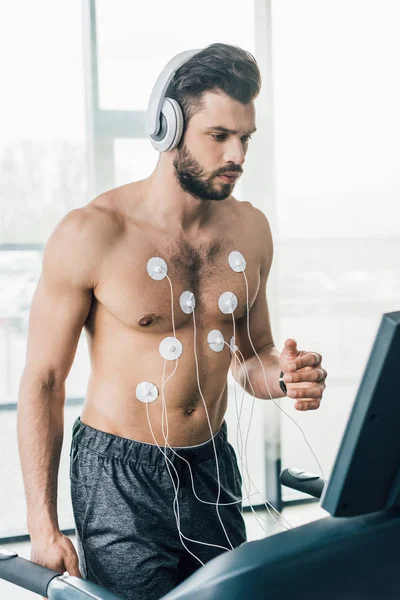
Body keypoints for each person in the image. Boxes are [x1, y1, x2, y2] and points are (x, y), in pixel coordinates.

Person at [17, 43, 327, 600]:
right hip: (119, 474)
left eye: (245, 137)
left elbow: (251, 356)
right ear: (168, 128)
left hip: (210, 461)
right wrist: (43, 523)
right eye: (218, 136)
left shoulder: (250, 231)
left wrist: (284, 376)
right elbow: (43, 381)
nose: (237, 153)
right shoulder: (92, 233)